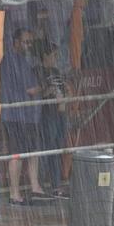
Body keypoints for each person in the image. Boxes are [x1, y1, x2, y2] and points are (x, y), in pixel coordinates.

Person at [0, 28, 49, 205]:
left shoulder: (22, 61)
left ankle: (34, 186)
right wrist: (45, 85)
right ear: (16, 42)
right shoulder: (12, 61)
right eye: (26, 42)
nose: (29, 46)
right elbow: (29, 89)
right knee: (17, 153)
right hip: (16, 114)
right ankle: (14, 193)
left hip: (28, 114)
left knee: (33, 151)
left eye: (30, 42)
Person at [33, 39, 69, 199]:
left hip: (61, 113)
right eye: (53, 55)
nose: (56, 58)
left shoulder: (56, 71)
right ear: (45, 56)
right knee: (50, 149)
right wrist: (50, 91)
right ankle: (50, 184)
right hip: (48, 114)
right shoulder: (38, 71)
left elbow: (63, 89)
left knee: (59, 147)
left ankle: (55, 183)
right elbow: (39, 93)